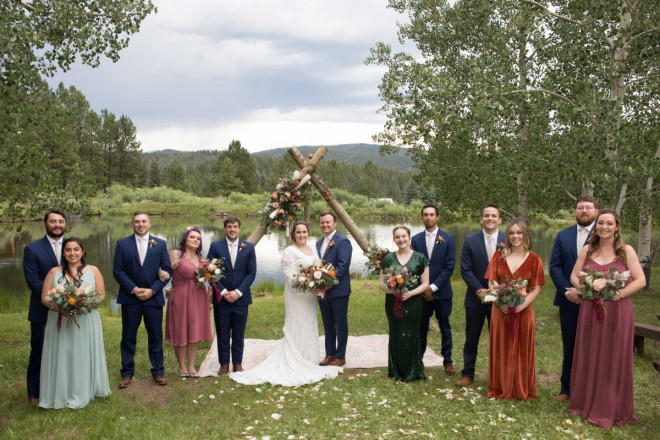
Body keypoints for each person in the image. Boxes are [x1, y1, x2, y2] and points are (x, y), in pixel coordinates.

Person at [231, 222, 343, 386]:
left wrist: (319, 285)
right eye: (299, 232)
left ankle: (309, 358)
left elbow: (319, 269)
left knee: (309, 323)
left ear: (308, 232)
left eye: (304, 232)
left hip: (311, 297)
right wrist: (308, 286)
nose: (302, 235)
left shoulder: (312, 249)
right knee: (297, 324)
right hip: (297, 296)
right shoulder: (288, 252)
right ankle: (296, 358)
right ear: (293, 234)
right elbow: (290, 278)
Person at [568, 210, 645, 430]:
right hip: (590, 309)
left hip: (618, 311)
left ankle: (613, 406)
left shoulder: (626, 251)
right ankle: (586, 402)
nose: (604, 226)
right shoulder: (587, 250)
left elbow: (640, 280)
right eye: (600, 223)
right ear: (596, 226)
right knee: (590, 353)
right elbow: (574, 276)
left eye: (609, 223)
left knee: (614, 356)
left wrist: (615, 295)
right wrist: (586, 289)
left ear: (616, 227)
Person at [39, 238, 111, 408]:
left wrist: (83, 307)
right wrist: (63, 310)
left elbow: (100, 295)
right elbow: (44, 298)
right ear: (63, 253)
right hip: (60, 320)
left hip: (86, 319)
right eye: (68, 250)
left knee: (83, 353)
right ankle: (61, 392)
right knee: (62, 353)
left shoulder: (93, 270)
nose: (72, 253)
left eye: (76, 249)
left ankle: (86, 389)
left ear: (83, 251)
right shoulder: (53, 272)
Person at [485, 218, 545, 400]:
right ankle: (500, 386)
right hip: (500, 310)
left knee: (521, 347)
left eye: (519, 232)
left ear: (525, 234)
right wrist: (500, 301)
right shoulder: (498, 256)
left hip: (524, 311)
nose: (515, 236)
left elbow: (536, 288)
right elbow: (492, 281)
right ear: (507, 235)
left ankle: (520, 387)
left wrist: (521, 306)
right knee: (501, 346)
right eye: (511, 233)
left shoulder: (534, 260)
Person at [113, 211, 172, 388]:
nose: (140, 224)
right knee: (128, 336)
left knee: (155, 336)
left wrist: (153, 290)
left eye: (143, 221)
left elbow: (167, 271)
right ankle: (127, 373)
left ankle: (158, 372)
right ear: (132, 224)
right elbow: (118, 271)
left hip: (153, 300)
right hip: (130, 298)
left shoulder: (160, 244)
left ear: (149, 223)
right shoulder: (122, 244)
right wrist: (134, 289)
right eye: (137, 222)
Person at [549, 196, 598, 401]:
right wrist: (568, 291)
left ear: (596, 210)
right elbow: (554, 266)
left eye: (588, 208)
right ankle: (566, 388)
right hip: (568, 299)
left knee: (594, 345)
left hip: (597, 301)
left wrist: (585, 292)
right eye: (580, 208)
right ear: (575, 211)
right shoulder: (563, 235)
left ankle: (590, 389)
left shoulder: (604, 234)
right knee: (570, 344)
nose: (584, 211)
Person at [456, 205, 505, 386]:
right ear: (481, 219)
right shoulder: (470, 240)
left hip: (501, 298)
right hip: (475, 298)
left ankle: (498, 375)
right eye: (486, 216)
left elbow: (513, 269)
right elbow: (466, 269)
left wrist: (497, 291)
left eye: (493, 216)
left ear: (499, 220)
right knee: (471, 338)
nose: (490, 218)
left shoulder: (508, 239)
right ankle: (468, 373)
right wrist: (480, 290)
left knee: (499, 338)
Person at [23, 209, 67, 405]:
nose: (57, 225)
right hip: (41, 309)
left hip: (70, 309)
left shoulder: (73, 246)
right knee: (39, 349)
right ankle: (34, 392)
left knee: (66, 349)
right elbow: (33, 280)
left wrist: (72, 299)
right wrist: (57, 298)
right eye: (53, 221)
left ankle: (63, 388)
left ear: (65, 223)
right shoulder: (32, 249)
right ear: (45, 223)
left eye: (60, 221)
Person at [379, 226, 429, 382]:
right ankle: (396, 369)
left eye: (404, 236)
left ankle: (414, 369)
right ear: (394, 239)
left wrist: (411, 293)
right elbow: (381, 284)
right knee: (396, 333)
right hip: (393, 302)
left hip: (413, 303)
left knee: (412, 333)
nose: (401, 240)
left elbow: (426, 283)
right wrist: (393, 291)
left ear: (409, 237)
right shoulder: (388, 259)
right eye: (397, 237)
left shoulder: (420, 258)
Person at [207, 216, 256, 375]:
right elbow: (210, 272)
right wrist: (222, 291)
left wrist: (238, 292)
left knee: (238, 332)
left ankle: (237, 363)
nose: (232, 229)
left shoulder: (248, 247)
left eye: (235, 226)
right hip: (222, 298)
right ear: (225, 228)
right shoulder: (215, 246)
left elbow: (251, 273)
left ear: (239, 228)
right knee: (222, 332)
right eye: (229, 226)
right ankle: (224, 364)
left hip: (241, 298)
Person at [411, 204, 455, 374]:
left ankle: (448, 361)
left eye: (431, 214)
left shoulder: (448, 239)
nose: (428, 217)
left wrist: (433, 287)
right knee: (421, 327)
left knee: (445, 327)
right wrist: (423, 289)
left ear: (437, 217)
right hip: (422, 294)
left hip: (442, 292)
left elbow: (449, 267)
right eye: (425, 215)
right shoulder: (415, 240)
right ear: (422, 217)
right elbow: (413, 266)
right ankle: (418, 359)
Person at [165, 227, 213, 378]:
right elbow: (165, 269)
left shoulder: (202, 259)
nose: (195, 240)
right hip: (180, 295)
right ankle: (182, 366)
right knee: (180, 330)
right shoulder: (176, 254)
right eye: (192, 237)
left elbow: (208, 278)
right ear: (185, 238)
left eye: (198, 239)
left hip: (198, 296)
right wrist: (164, 270)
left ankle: (192, 366)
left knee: (194, 330)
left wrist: (211, 279)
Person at [316, 211, 352, 367]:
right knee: (327, 324)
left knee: (340, 324)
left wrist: (326, 283)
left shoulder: (343, 241)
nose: (325, 225)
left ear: (335, 223)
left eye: (328, 222)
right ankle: (329, 354)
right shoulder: (318, 243)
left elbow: (342, 267)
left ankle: (340, 356)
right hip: (322, 293)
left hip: (339, 292)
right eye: (322, 222)